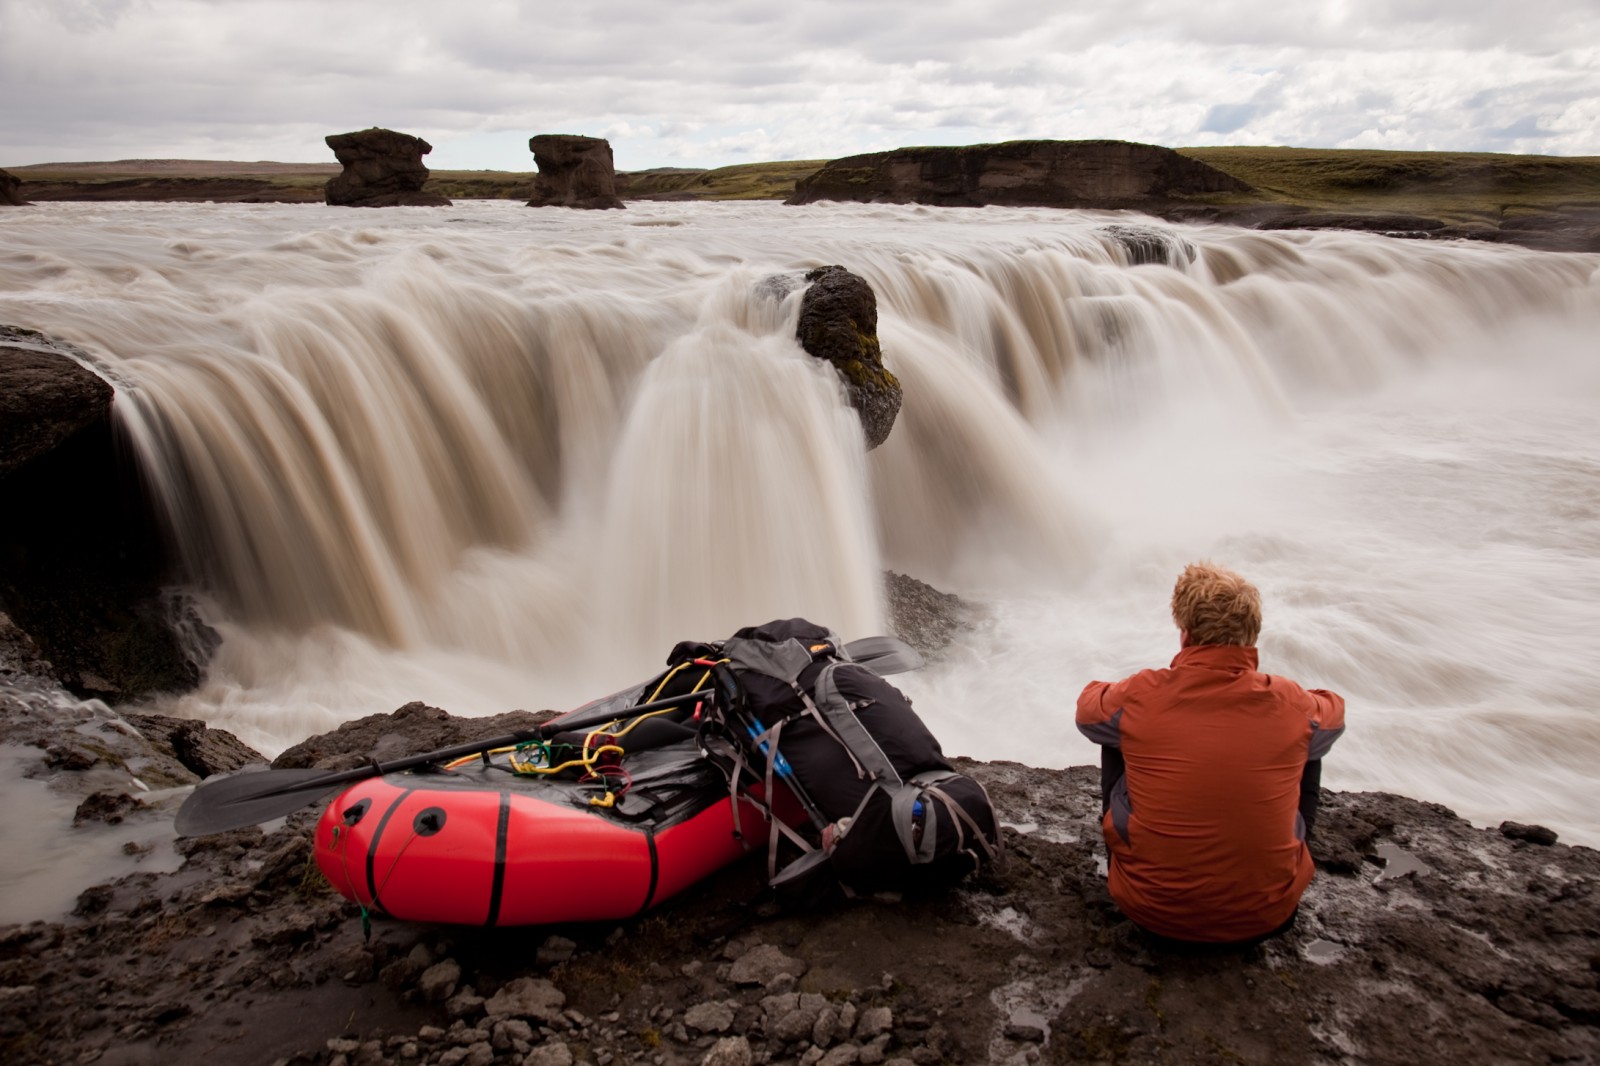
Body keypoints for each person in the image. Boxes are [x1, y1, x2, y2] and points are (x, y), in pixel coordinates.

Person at [1076, 561, 1345, 945]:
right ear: (1252, 638)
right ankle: (1276, 861)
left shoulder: (1142, 694)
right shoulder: (1289, 702)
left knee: (1114, 731)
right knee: (1311, 739)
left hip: (1147, 909)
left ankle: (1135, 860)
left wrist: (1135, 694)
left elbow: (1088, 709)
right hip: (1268, 915)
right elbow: (1334, 708)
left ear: (1184, 635)